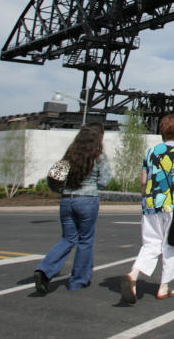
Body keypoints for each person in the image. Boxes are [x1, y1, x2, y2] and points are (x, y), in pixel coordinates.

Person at [121, 114, 174, 303]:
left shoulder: (151, 152)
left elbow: (144, 181)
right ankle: (163, 287)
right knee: (173, 244)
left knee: (150, 244)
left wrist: (146, 200)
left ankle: (133, 274)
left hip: (151, 204)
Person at [34, 125, 111, 294]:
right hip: (88, 200)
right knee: (85, 240)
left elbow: (57, 178)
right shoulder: (99, 157)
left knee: (68, 238)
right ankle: (78, 280)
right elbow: (105, 181)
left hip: (67, 199)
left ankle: (44, 270)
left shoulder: (69, 157)